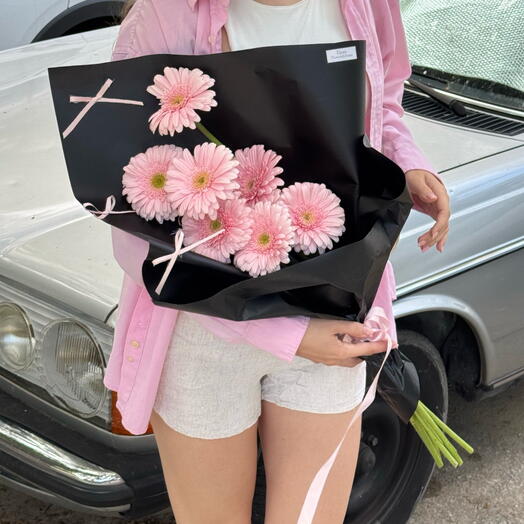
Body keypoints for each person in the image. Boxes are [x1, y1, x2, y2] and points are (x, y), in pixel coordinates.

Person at [107, 1, 451, 522]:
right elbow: (132, 214)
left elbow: (384, 104)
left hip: (331, 313)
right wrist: (285, 334)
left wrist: (407, 166)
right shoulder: (166, 14)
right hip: (205, 331)